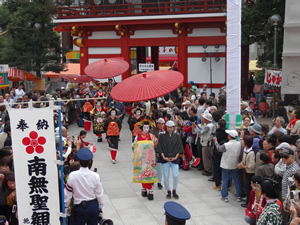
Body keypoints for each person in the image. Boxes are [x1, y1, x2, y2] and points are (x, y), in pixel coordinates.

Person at [64, 148, 104, 225]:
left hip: (79, 208)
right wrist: (101, 208)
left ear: (78, 161)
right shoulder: (95, 176)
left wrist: (66, 206)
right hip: (93, 207)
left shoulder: (72, 175)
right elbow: (99, 194)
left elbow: (67, 193)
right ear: (90, 161)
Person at [156, 120, 184, 199]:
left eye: (171, 127)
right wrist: (163, 156)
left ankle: (174, 190)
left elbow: (180, 147)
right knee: (166, 175)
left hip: (174, 158)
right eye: (168, 127)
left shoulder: (177, 136)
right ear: (166, 127)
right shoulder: (162, 136)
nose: (169, 129)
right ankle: (168, 190)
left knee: (175, 175)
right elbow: (160, 147)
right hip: (165, 158)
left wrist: (176, 156)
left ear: (173, 127)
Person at [213, 130, 242, 203]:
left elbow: (219, 149)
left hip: (226, 165)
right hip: (235, 164)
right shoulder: (239, 144)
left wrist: (215, 142)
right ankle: (238, 196)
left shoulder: (226, 145)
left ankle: (224, 196)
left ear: (229, 136)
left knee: (225, 181)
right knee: (236, 181)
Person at [132, 119, 157, 200]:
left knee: (149, 174)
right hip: (141, 159)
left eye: (147, 127)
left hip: (150, 158)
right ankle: (144, 188)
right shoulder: (138, 136)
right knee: (142, 173)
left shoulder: (151, 136)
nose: (146, 129)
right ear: (142, 128)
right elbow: (134, 146)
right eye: (144, 127)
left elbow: (156, 143)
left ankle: (150, 190)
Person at [238, 135, 255, 208]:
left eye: (243, 141)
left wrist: (243, 166)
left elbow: (252, 165)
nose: (241, 142)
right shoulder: (245, 150)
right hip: (246, 171)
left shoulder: (251, 153)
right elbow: (244, 159)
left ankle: (249, 202)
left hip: (250, 173)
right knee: (246, 186)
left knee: (249, 188)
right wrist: (242, 163)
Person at [151, 118, 165, 189]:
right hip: (153, 151)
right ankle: (152, 179)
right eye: (159, 123)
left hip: (160, 152)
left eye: (162, 124)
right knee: (152, 167)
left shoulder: (164, 132)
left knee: (159, 168)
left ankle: (159, 182)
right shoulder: (152, 131)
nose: (161, 125)